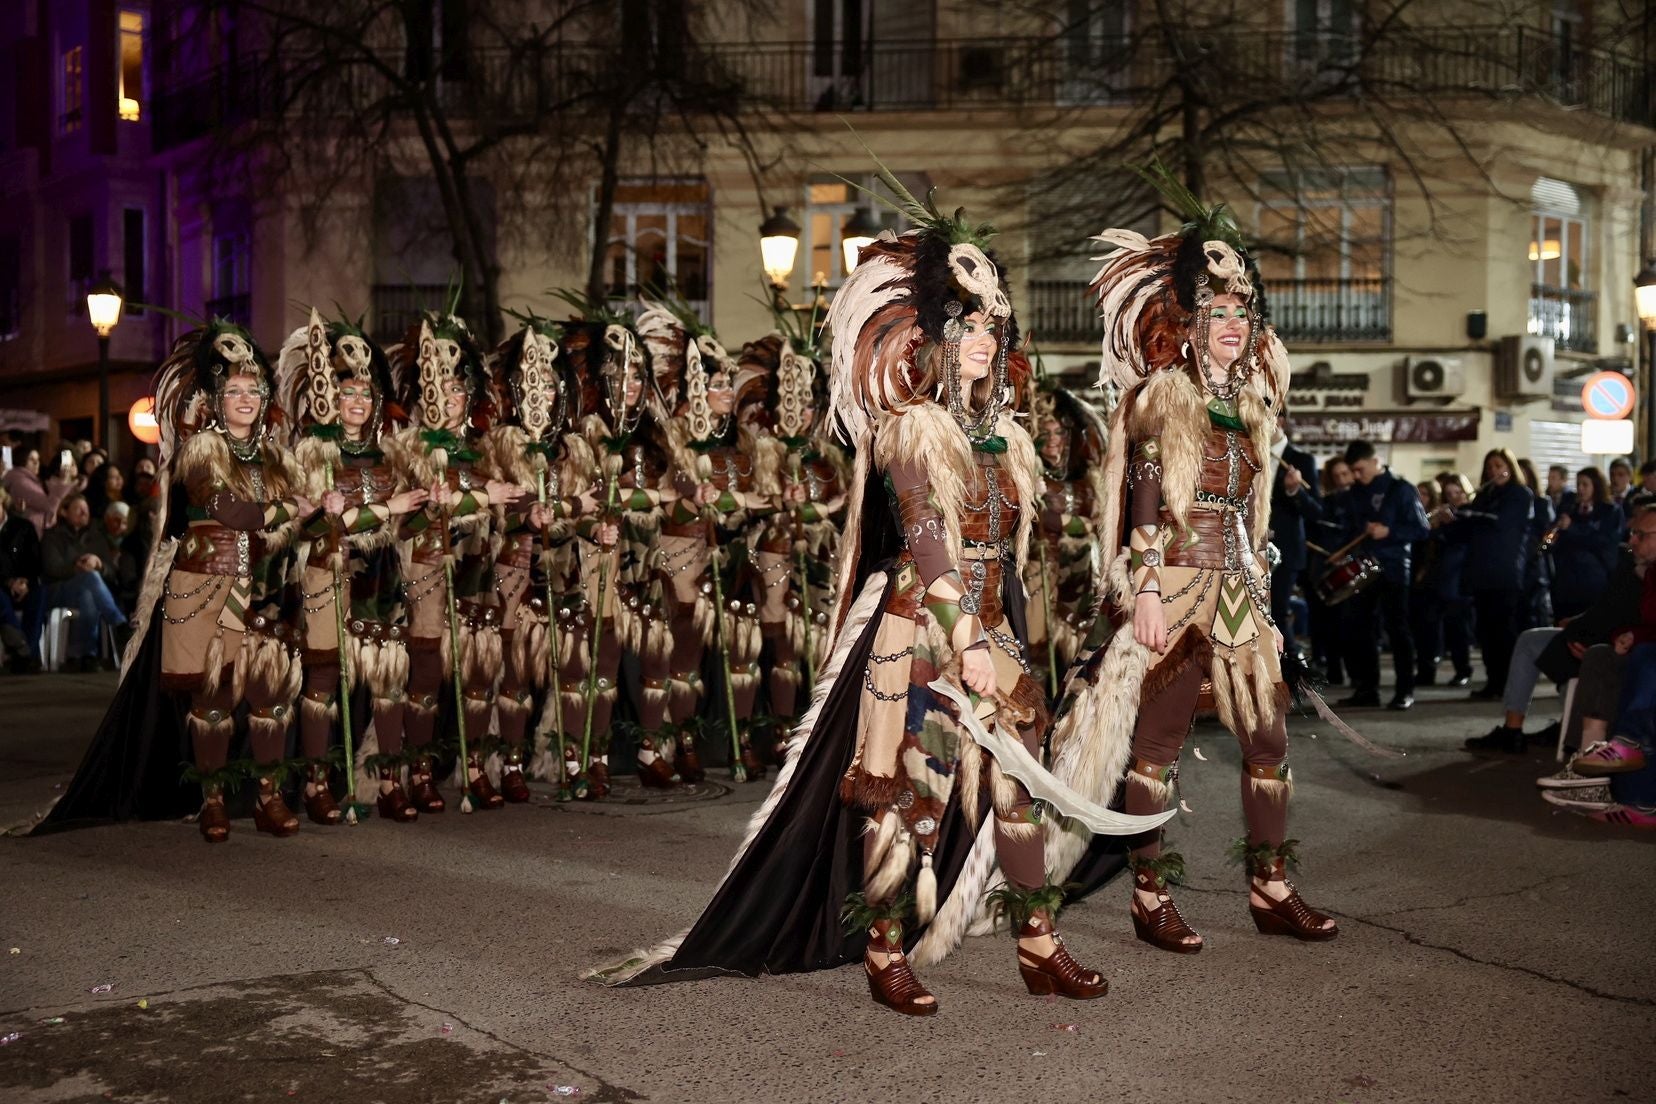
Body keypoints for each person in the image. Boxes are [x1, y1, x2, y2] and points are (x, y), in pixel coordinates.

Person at [593, 187, 1166, 1011]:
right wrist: (964, 633)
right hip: (918, 630)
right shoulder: (910, 427)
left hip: (988, 628)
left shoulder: (1005, 438)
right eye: (967, 326)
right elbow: (928, 537)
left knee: (1020, 786)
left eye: (990, 326)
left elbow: (1005, 550)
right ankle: (884, 948)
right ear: (935, 336)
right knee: (904, 789)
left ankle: (1039, 944)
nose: (982, 339)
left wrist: (1000, 630)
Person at [1045, 181, 1337, 953]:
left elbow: (1247, 511)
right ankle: (1150, 896)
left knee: (1268, 739)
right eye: (1220, 314)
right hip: (1172, 584)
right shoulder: (1162, 398)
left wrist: (1262, 576)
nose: (1235, 325)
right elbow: (1144, 499)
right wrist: (1141, 587)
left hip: (1239, 588)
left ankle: (1271, 887)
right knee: (1159, 747)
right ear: (1193, 326)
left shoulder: (1253, 409)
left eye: (1244, 313)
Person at [35, 322, 310, 839]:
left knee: (269, 691)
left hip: (260, 586)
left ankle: (269, 796)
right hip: (204, 583)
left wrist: (302, 515)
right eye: (233, 390)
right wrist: (291, 508)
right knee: (212, 696)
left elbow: (286, 526)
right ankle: (211, 800)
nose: (245, 398)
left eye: (253, 389)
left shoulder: (277, 458)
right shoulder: (201, 450)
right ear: (215, 397)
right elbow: (233, 511)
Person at [277, 310, 430, 825]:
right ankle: (317, 784)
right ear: (330, 398)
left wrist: (430, 506)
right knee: (322, 675)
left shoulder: (390, 454)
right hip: (328, 570)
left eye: (366, 393)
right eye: (348, 393)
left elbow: (410, 520)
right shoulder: (312, 452)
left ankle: (388, 780)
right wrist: (367, 512)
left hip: (382, 575)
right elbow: (304, 526)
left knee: (388, 678)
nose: (359, 402)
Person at [387, 312, 519, 814]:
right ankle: (417, 772)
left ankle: (475, 768)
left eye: (458, 389)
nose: (450, 397)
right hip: (425, 566)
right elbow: (403, 515)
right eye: (440, 387)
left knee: (480, 671)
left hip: (475, 568)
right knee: (424, 673)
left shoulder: (483, 449)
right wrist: (476, 499)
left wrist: (493, 500)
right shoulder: (406, 447)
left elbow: (505, 500)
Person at [1466, 505, 1656, 753]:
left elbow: (1631, 620)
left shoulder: (1641, 571)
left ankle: (1580, 749)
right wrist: (1582, 623)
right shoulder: (1635, 567)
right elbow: (1609, 610)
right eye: (1633, 532)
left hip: (1619, 646)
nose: (1632, 539)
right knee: (1535, 641)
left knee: (1589, 655)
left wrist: (1615, 637)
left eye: (1641, 534)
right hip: (1605, 636)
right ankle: (1518, 730)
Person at [1338, 439, 1429, 709]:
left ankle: (1404, 690)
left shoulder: (1401, 489)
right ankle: (1368, 689)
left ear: (1375, 461)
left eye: (1360, 469)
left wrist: (1390, 532)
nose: (1357, 475)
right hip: (1363, 569)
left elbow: (1422, 529)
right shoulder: (1354, 493)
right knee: (1362, 630)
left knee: (1398, 630)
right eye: (1353, 471)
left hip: (1393, 568)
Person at [1448, 448, 1534, 698]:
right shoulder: (1484, 496)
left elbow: (1500, 522)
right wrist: (1453, 519)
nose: (1494, 471)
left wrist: (1466, 513)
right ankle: (1493, 681)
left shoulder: (1520, 494)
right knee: (1485, 631)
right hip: (1481, 572)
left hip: (1504, 572)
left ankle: (1508, 683)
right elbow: (1467, 532)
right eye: (1490, 467)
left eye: (1499, 466)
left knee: (1503, 631)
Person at [40, 494, 129, 672]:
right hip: (59, 590)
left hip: (88, 592)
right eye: (78, 509)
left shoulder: (96, 538)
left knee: (88, 594)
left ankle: (83, 656)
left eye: (86, 509)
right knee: (90, 579)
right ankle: (118, 623)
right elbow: (51, 569)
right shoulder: (52, 536)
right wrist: (77, 567)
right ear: (64, 512)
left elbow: (112, 573)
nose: (84, 513)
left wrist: (99, 564)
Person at [1266, 423, 1319, 692]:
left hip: (1285, 550)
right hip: (1249, 548)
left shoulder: (1302, 459)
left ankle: (1294, 678)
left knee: (1277, 612)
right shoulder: (1250, 451)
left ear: (1279, 421)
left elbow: (1316, 510)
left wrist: (1294, 491)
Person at [1415, 474, 1474, 687]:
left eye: (1458, 493)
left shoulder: (1470, 515)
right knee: (1429, 625)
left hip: (1460, 577)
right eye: (1449, 494)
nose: (1454, 498)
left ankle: (1463, 669)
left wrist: (1451, 523)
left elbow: (1466, 539)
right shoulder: (1443, 517)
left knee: (1457, 627)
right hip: (1438, 575)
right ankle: (1426, 670)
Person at [1549, 467, 1622, 620]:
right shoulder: (1570, 508)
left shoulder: (1610, 511)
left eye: (1585, 484)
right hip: (1566, 579)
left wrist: (1573, 528)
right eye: (1578, 484)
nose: (1580, 489)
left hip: (1593, 578)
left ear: (1596, 486)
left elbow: (1605, 541)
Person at [1305, 455, 1353, 684]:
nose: (1342, 480)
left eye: (1345, 474)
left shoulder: (1360, 501)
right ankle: (1333, 669)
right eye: (1337, 476)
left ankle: (1355, 673)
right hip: (1325, 566)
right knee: (1327, 622)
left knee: (1349, 623)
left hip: (1351, 565)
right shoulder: (1327, 503)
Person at [0, 482, 45, 673]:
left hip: (25, 584)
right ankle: (25, 651)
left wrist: (24, 581)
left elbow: (35, 561)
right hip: (1, 587)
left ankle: (25, 652)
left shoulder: (23, 527)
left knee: (40, 593)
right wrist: (8, 582)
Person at [2, 447, 82, 537]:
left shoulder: (33, 480)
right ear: (21, 460)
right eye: (31, 459)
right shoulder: (21, 482)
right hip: (35, 531)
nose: (36, 463)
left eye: (38, 459)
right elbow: (48, 506)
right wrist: (63, 481)